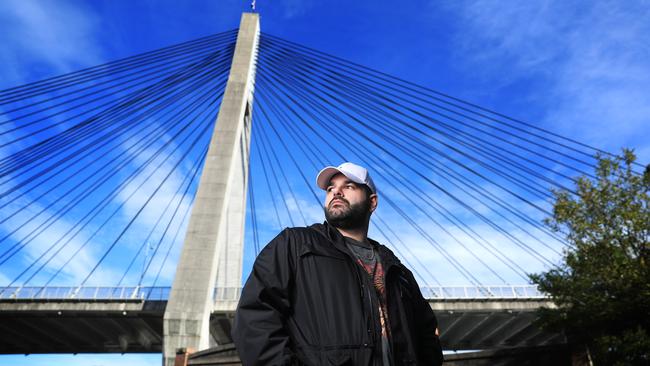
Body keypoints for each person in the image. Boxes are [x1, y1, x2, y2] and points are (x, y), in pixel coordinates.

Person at [232, 162, 444, 365]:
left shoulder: (397, 271)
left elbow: (427, 334)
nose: (336, 192)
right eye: (331, 188)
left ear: (372, 202)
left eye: (348, 186)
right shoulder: (295, 245)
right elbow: (255, 319)